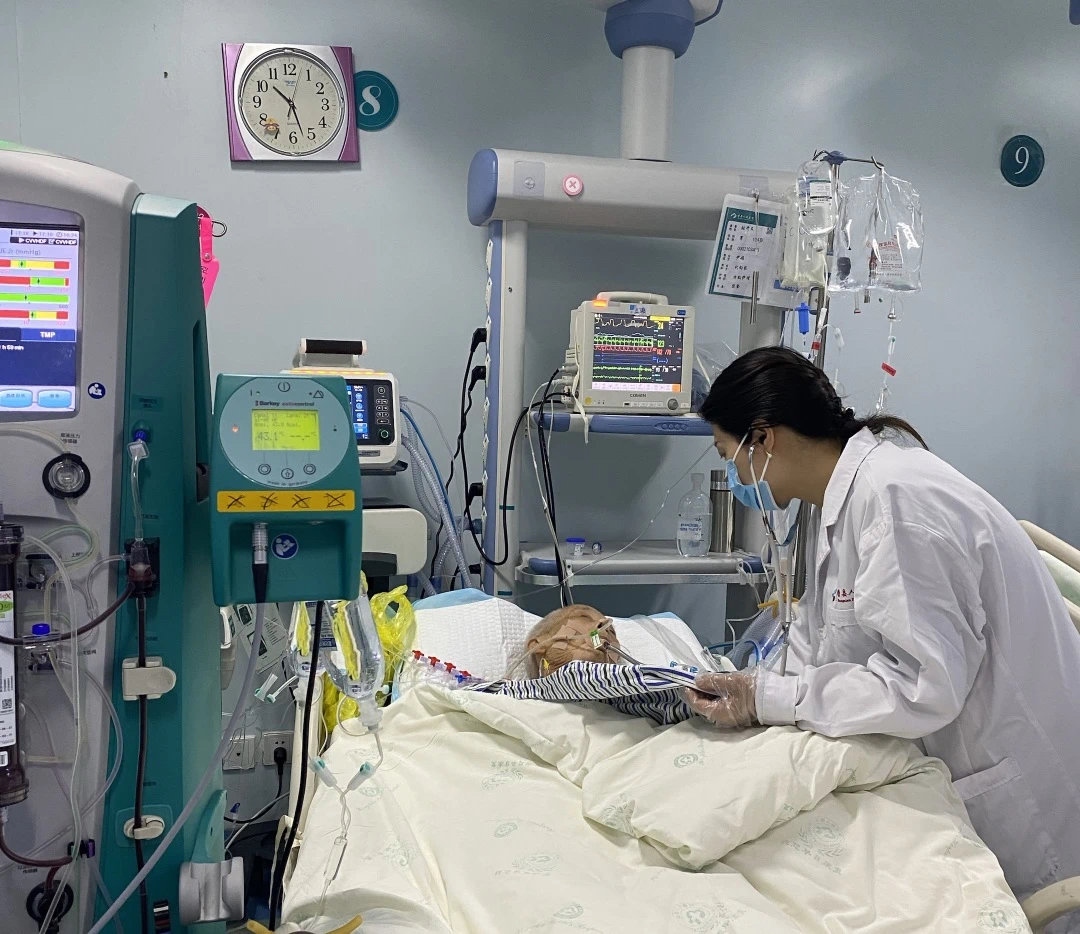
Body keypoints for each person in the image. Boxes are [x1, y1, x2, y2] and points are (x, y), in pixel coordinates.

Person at [686, 346, 1080, 914]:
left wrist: (769, 699)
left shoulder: (899, 502)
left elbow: (922, 686)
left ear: (764, 439)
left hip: (1015, 789)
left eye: (730, 456)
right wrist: (756, 687)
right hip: (951, 752)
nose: (735, 477)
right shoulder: (836, 500)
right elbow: (821, 635)